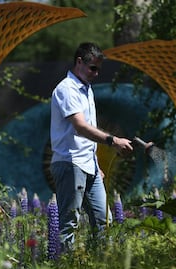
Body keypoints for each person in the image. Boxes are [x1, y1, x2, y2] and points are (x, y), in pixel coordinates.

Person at [49, 42, 133, 251]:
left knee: (104, 221)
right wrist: (113, 140)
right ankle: (61, 267)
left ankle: (101, 266)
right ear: (79, 62)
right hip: (70, 164)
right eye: (92, 68)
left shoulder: (87, 89)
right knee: (68, 224)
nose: (96, 73)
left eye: (98, 69)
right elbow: (80, 127)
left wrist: (95, 164)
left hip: (89, 166)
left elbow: (86, 135)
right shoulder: (66, 89)